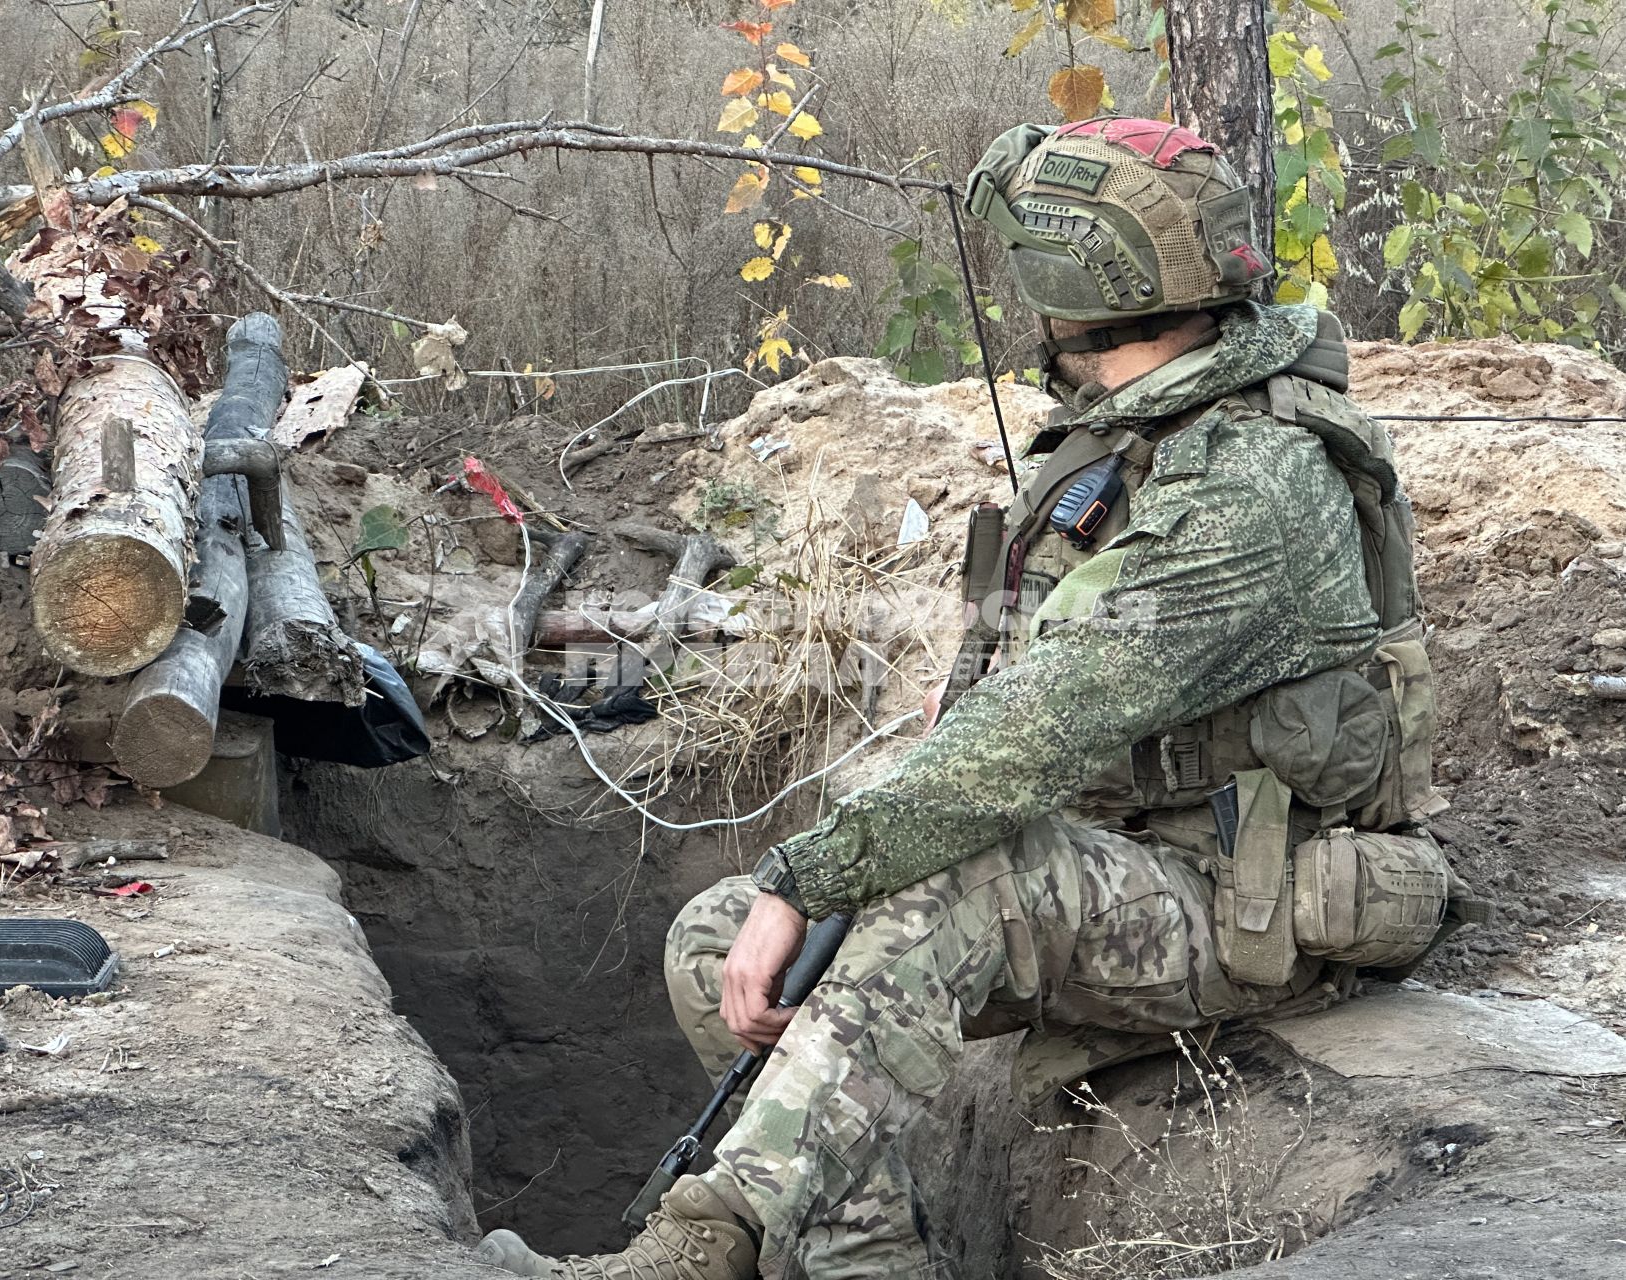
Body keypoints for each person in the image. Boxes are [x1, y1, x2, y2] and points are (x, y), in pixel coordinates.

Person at [477, 117, 1480, 1280]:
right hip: (1110, 863)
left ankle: (704, 1244)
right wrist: (811, 877)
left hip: (1247, 904)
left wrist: (823, 867)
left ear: (1077, 280)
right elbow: (998, 704)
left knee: (934, 881)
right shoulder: (1138, 432)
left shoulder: (1253, 479)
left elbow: (1042, 725)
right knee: (722, 940)